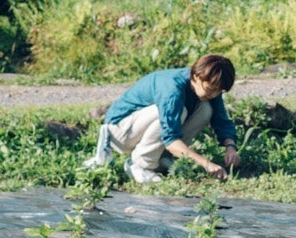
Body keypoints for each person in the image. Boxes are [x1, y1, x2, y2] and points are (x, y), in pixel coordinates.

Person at [87, 54, 241, 183]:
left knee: (206, 109)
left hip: (144, 129)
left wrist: (230, 147)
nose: (214, 94)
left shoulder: (209, 86)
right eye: (211, 89)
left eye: (219, 91)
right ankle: (140, 164)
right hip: (120, 132)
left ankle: (162, 158)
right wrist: (206, 163)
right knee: (178, 113)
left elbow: (221, 119)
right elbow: (170, 139)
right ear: (196, 77)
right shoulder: (172, 90)